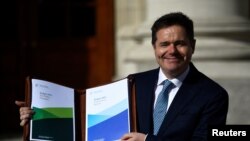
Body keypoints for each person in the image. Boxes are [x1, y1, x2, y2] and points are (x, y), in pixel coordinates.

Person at [16, 12, 229, 141]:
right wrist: (39, 117)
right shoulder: (134, 83)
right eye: (164, 44)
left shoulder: (213, 95)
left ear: (192, 46)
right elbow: (86, 126)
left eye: (180, 43)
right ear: (154, 47)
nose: (171, 50)